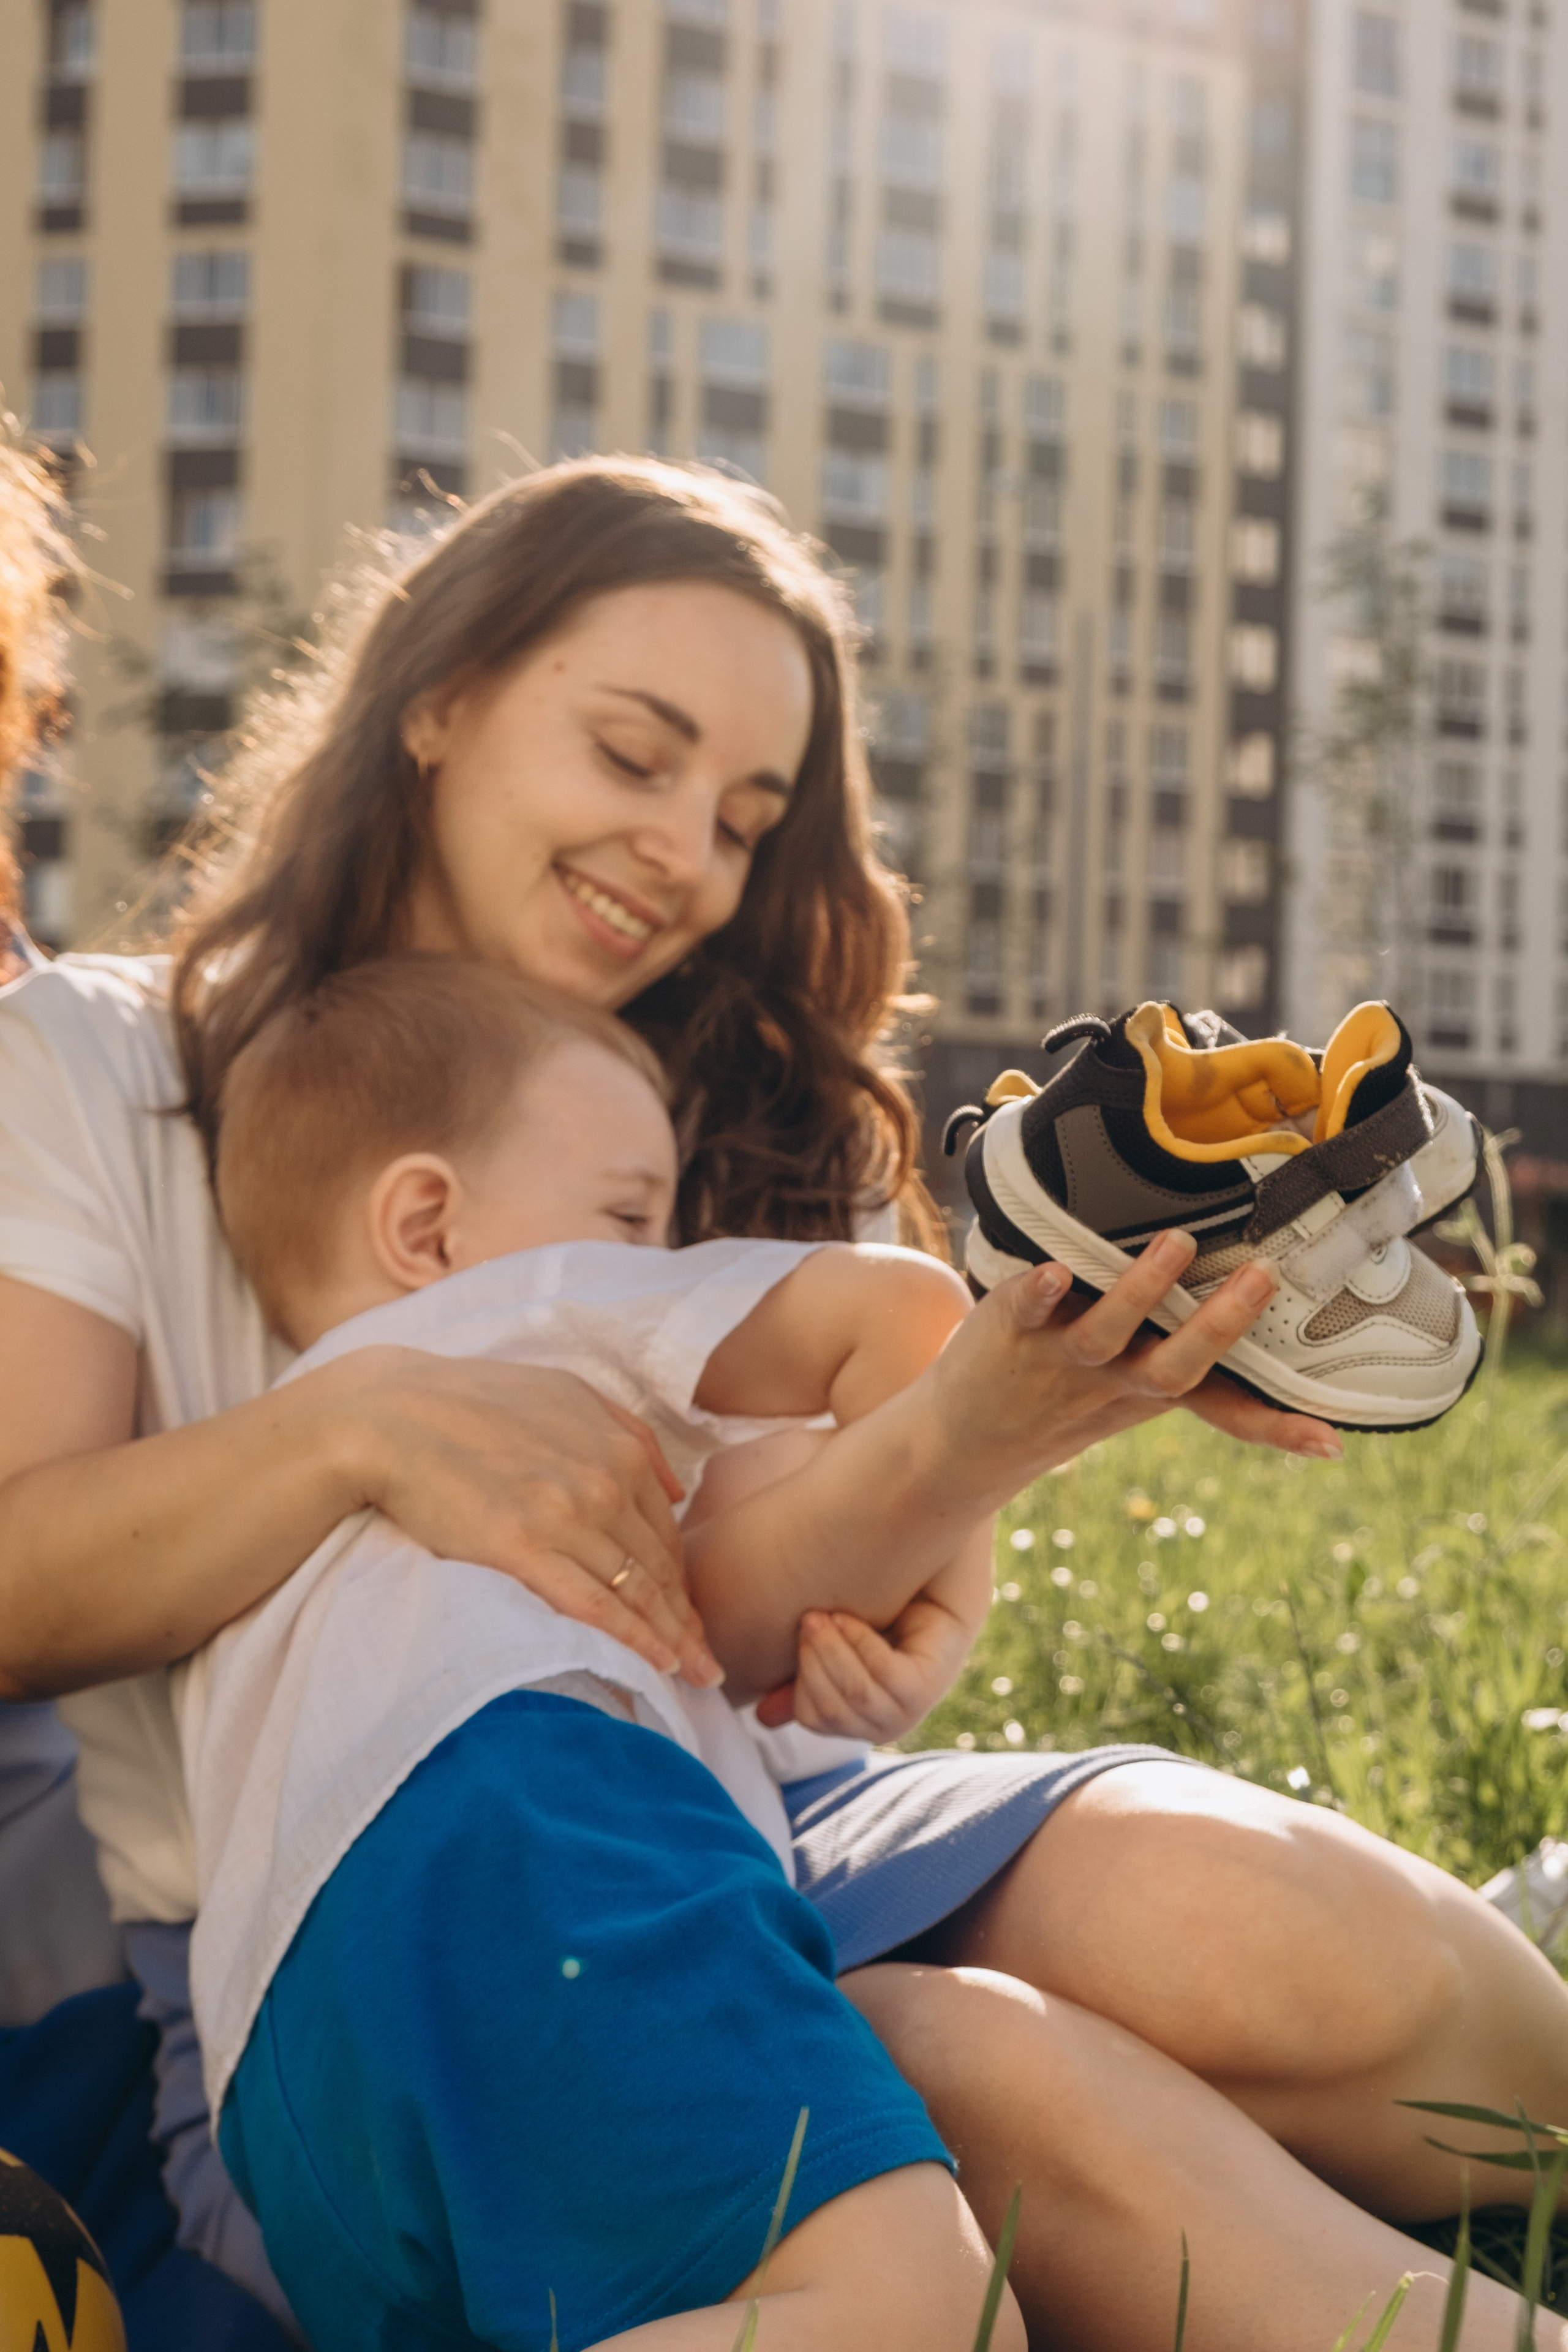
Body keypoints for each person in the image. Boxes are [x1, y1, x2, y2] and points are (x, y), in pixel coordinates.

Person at [1, 456, 1565, 2349]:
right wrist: (357, 1428)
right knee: (951, 2069)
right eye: (633, 755)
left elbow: (723, 1607)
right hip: (365, 1928)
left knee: (1315, 1964)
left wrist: (994, 1423)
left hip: (740, 1807)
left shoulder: (711, 1122)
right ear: (438, 699)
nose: (689, 854)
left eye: (749, 817)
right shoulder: (97, 1058)